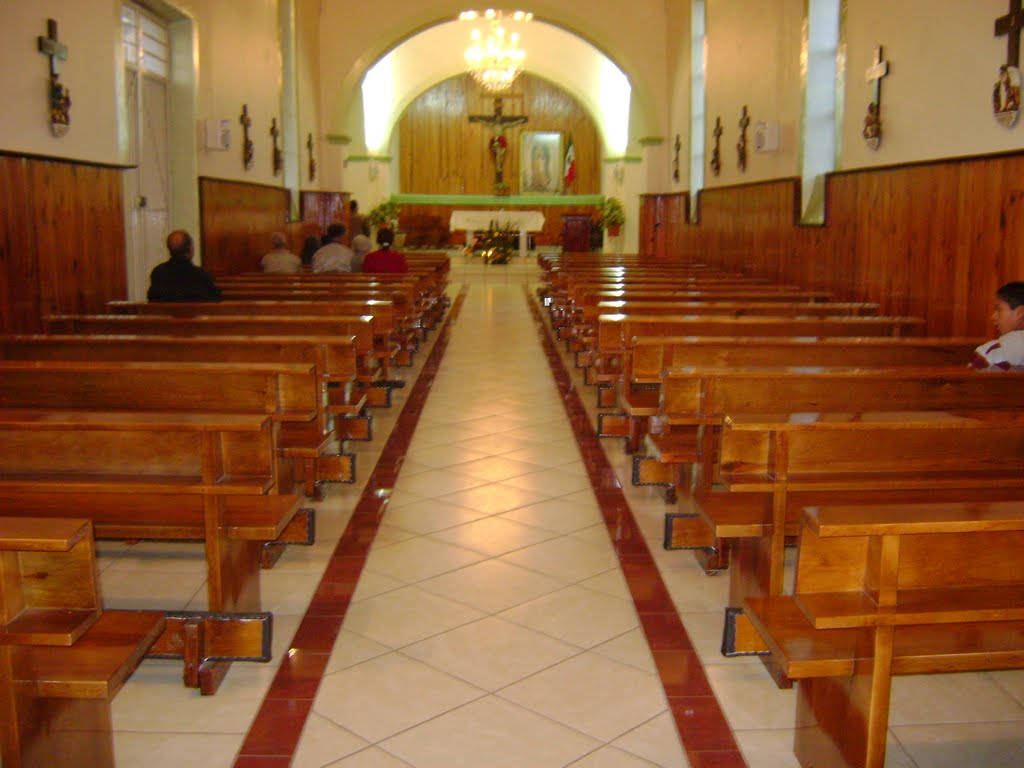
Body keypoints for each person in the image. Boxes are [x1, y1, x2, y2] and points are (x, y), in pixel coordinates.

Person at [147, 229, 221, 302]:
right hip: (196, 314)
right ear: (190, 250)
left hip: (166, 314)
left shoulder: (158, 273)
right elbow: (215, 299)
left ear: (169, 250)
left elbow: (151, 298)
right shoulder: (203, 275)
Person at [969, 281, 1024, 369]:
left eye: (999, 309)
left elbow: (968, 381)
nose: (993, 317)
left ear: (1020, 313)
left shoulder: (995, 351)